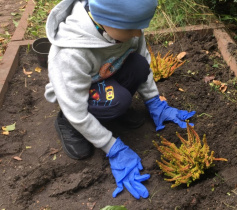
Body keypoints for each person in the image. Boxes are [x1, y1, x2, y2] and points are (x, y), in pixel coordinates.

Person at [45, 0, 196, 199]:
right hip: (75, 98)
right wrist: (112, 147)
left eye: (141, 26)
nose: (138, 34)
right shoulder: (70, 53)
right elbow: (76, 110)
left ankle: (111, 111)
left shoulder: (128, 28)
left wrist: (154, 101)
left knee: (139, 65)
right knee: (117, 101)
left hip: (106, 75)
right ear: (106, 18)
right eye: (133, 28)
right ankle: (67, 124)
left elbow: (143, 60)